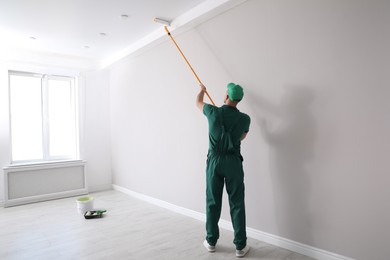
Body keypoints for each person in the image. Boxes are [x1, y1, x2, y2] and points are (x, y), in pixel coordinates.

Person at [196, 82, 251, 258]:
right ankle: (240, 247)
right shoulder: (245, 119)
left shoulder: (213, 112)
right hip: (233, 162)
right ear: (239, 99)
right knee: (237, 202)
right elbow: (242, 136)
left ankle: (211, 242)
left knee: (213, 201)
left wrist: (202, 91)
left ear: (226, 96)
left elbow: (197, 102)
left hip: (214, 162)